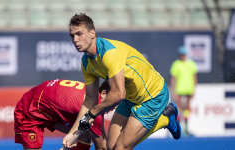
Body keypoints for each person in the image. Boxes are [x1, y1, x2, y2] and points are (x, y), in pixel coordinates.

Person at [63, 13, 181, 150]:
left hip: (153, 96)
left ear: (92, 33)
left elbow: (119, 94)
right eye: (72, 36)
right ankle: (165, 118)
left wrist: (92, 113)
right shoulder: (86, 62)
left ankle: (165, 118)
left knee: (121, 148)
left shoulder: (109, 53)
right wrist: (73, 134)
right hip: (131, 97)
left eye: (79, 34)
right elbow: (90, 100)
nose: (75, 40)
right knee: (111, 146)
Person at [14, 79, 109, 150]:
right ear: (104, 93)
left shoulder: (91, 92)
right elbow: (102, 146)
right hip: (29, 108)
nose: (115, 107)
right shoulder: (95, 108)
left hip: (49, 107)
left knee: (85, 134)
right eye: (116, 102)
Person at [170, 46, 197, 136]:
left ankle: (186, 129)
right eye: (181, 55)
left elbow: (194, 77)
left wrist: (194, 89)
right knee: (179, 109)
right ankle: (177, 129)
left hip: (188, 89)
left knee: (187, 109)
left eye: (184, 54)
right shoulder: (176, 64)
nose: (182, 56)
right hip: (179, 90)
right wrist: (173, 91)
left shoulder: (191, 64)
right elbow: (173, 79)